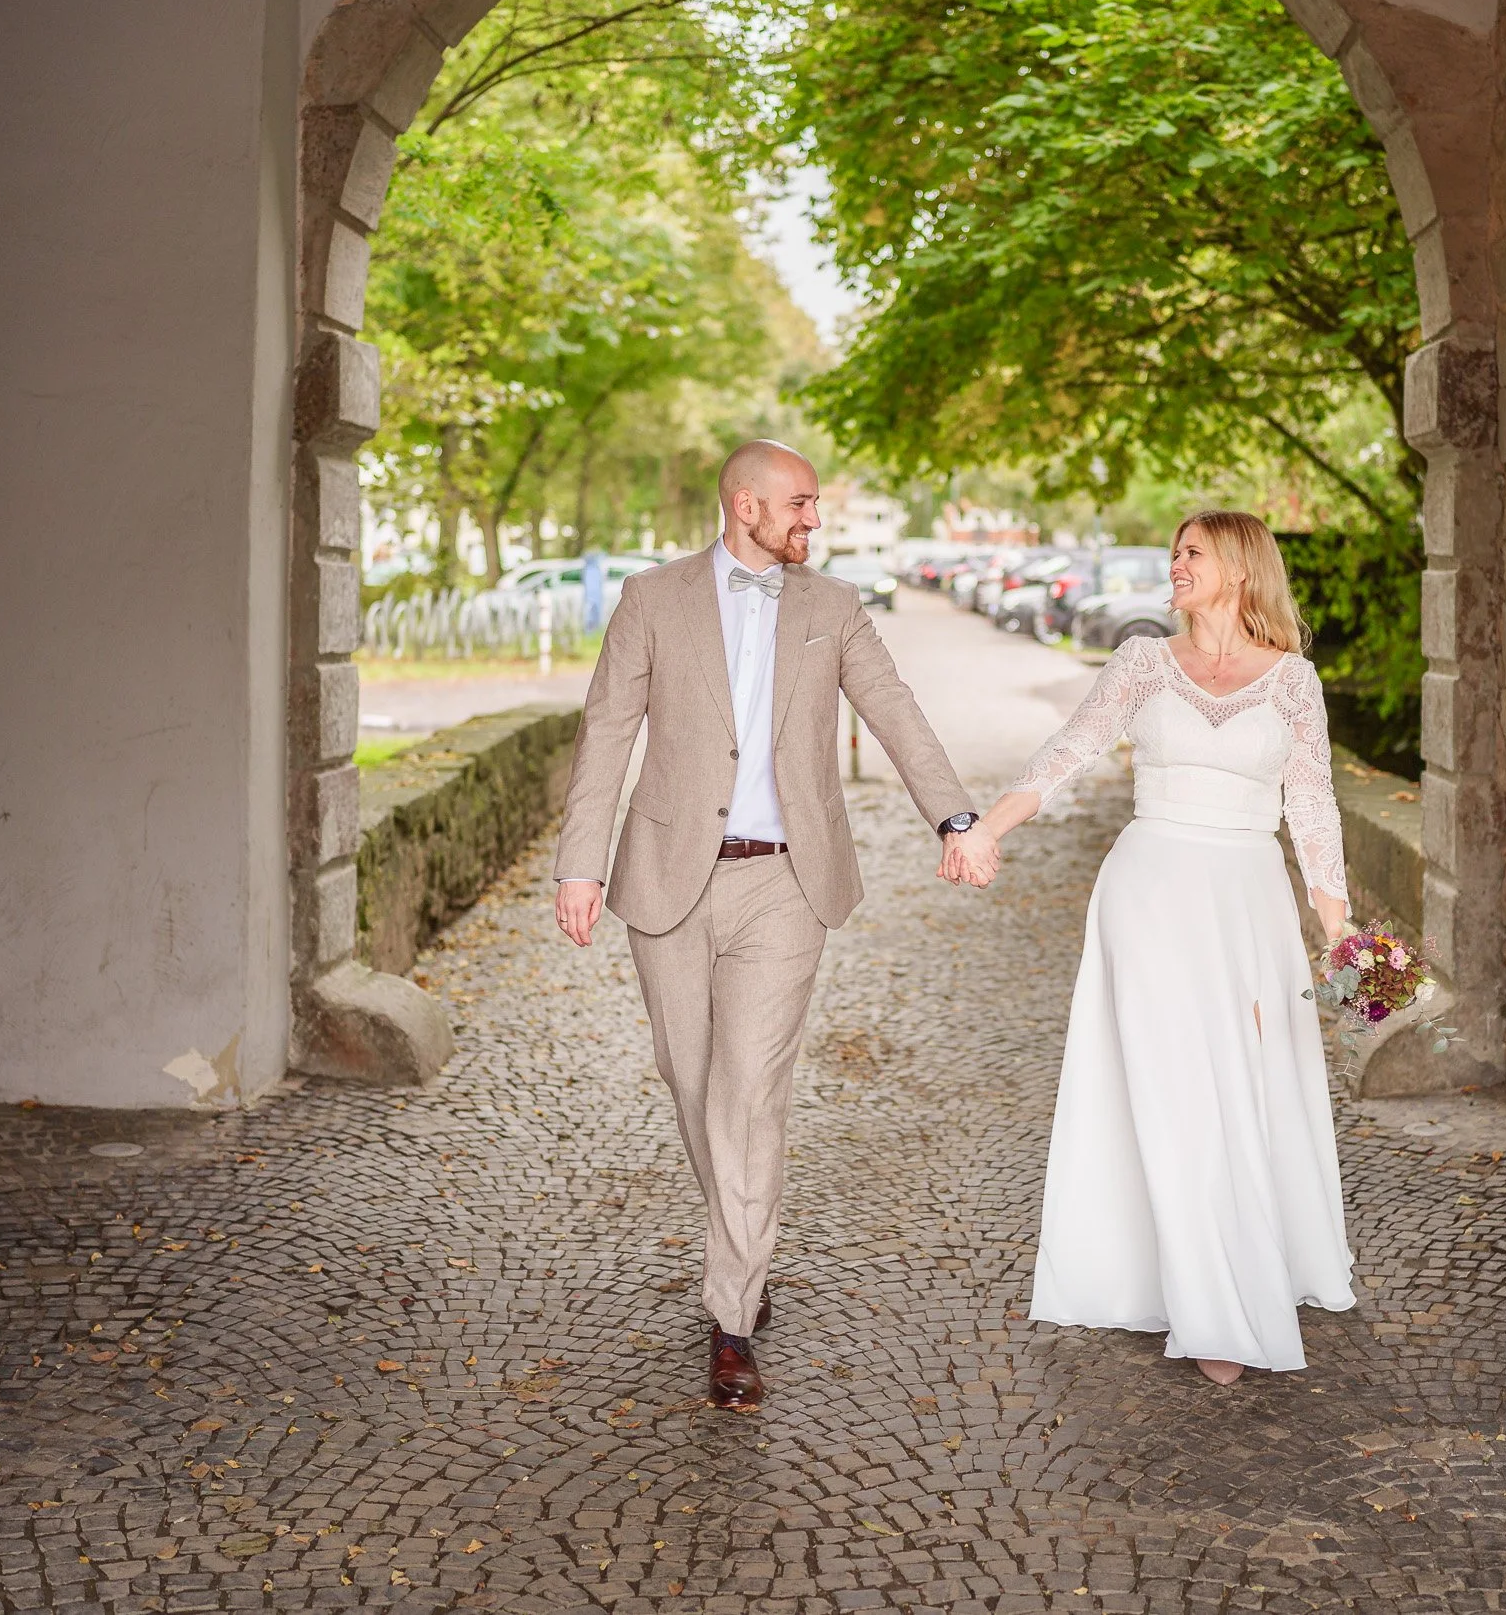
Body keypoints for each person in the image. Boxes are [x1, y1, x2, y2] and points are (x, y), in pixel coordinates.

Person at [550, 439, 994, 1410]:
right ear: (744, 504)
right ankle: (743, 1245)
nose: (812, 520)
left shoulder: (833, 608)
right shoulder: (651, 601)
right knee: (692, 1077)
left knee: (750, 1094)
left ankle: (731, 1316)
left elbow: (894, 708)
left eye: (815, 506)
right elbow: (606, 731)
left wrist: (955, 814)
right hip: (668, 876)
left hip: (786, 883)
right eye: (798, 504)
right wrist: (580, 860)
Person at [949, 510, 1356, 1385]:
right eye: (1175, 551)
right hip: (1148, 892)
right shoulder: (1141, 664)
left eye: (1192, 552)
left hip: (1246, 901)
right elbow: (1069, 752)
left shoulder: (1293, 683)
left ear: (1240, 568)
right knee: (1171, 1087)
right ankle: (1205, 1301)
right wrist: (986, 828)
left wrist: (1342, 935)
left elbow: (1313, 809)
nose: (1175, 564)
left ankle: (1230, 1274)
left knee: (1234, 1086)